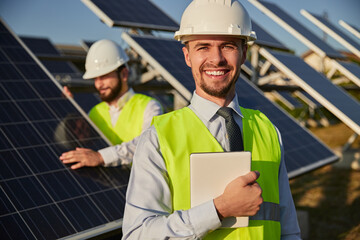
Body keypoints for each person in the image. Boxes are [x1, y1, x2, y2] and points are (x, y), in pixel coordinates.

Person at [122, 0, 301, 239]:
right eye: (203, 47)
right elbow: (136, 234)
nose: (216, 59)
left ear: (244, 53)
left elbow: (288, 228)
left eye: (228, 46)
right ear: (187, 56)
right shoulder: (158, 139)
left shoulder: (268, 130)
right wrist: (219, 209)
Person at [59, 39, 163, 169]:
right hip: (105, 185)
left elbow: (147, 145)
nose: (98, 84)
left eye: (104, 76)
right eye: (95, 78)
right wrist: (64, 106)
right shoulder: (94, 112)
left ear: (124, 74)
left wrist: (102, 157)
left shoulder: (150, 106)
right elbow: (75, 142)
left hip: (140, 185)